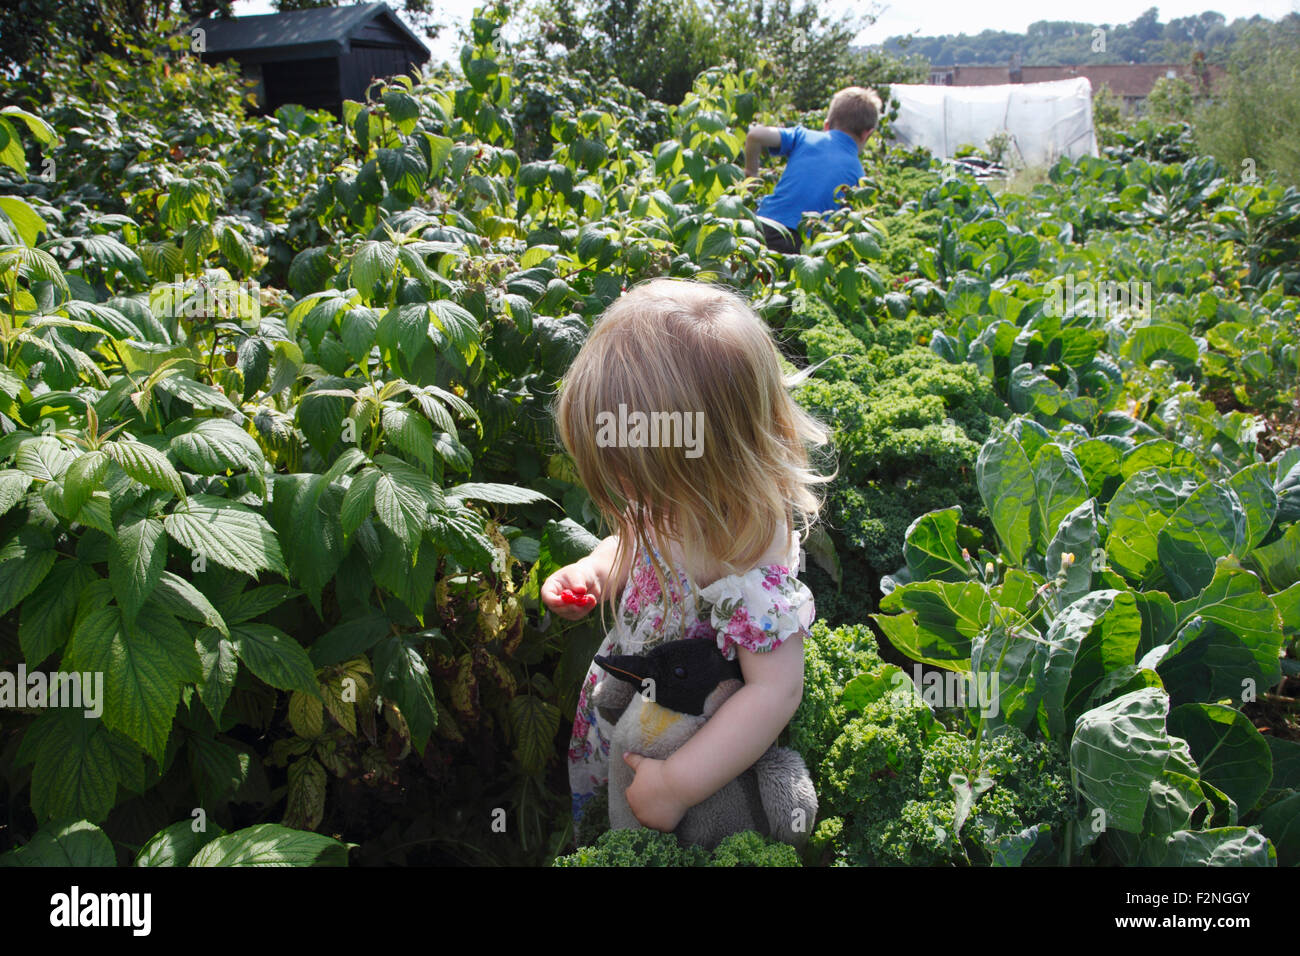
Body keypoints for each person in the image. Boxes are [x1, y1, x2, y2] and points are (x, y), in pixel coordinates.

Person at [544, 278, 832, 838]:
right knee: (604, 812)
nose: (629, 495)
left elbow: (775, 692)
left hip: (683, 745)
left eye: (634, 476)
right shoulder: (674, 502)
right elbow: (633, 538)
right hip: (625, 702)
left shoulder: (748, 557)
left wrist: (677, 785)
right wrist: (596, 571)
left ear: (708, 464)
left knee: (645, 833)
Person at [743, 85, 881, 254]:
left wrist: (752, 177)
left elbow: (755, 135)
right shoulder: (859, 177)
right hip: (804, 249)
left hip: (765, 227)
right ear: (867, 134)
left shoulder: (804, 136)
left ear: (827, 125)